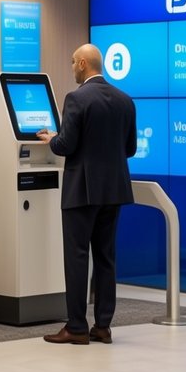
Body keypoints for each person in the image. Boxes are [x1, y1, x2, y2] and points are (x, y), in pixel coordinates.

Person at [37, 43, 136, 346]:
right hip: (114, 190)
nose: (71, 68)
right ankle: (103, 326)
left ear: (82, 63)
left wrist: (52, 139)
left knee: (78, 257)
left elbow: (66, 145)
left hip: (82, 190)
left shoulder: (77, 99)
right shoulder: (125, 100)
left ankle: (77, 326)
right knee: (106, 258)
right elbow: (129, 149)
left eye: (71, 63)